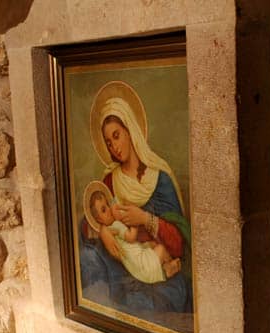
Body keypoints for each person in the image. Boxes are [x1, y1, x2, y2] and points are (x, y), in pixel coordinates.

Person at [78, 81, 192, 316]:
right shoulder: (110, 180)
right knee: (87, 258)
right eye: (108, 142)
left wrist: (144, 218)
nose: (114, 147)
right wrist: (103, 230)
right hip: (124, 264)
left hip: (157, 265)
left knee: (154, 301)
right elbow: (94, 217)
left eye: (117, 136)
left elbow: (179, 242)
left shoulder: (160, 178)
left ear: (130, 131)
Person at [84, 182, 182, 284]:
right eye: (104, 210)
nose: (109, 210)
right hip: (140, 263)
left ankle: (166, 268)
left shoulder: (112, 226)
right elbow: (131, 237)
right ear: (98, 220)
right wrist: (134, 224)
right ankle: (169, 265)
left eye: (108, 205)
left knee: (153, 245)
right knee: (160, 249)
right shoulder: (115, 226)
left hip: (136, 268)